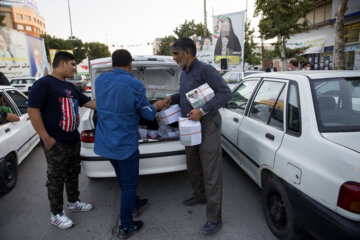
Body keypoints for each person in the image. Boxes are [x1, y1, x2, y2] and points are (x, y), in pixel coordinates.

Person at [163, 37, 232, 234]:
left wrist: (202, 111)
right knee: (192, 164)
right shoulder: (183, 72)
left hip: (208, 124)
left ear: (188, 52)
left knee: (211, 171)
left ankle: (214, 218)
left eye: (176, 53)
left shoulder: (205, 69)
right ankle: (199, 195)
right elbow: (187, 95)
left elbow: (225, 93)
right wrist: (173, 98)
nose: (174, 57)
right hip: (189, 125)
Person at [94, 49, 165, 239]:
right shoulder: (135, 84)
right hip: (125, 145)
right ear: (130, 64)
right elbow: (147, 113)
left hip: (105, 143)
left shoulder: (99, 81)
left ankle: (135, 203)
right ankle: (126, 225)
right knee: (129, 185)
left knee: (122, 179)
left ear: (112, 63)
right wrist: (156, 105)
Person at [27, 51, 96, 230]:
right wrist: (46, 138)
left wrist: (117, 104)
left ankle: (73, 202)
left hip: (73, 140)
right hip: (55, 143)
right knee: (56, 178)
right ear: (62, 63)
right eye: (73, 64)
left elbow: (90, 103)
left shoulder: (71, 88)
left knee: (73, 173)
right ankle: (56, 214)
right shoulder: (44, 84)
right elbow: (33, 111)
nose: (75, 68)